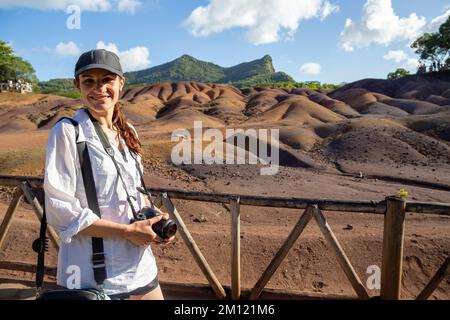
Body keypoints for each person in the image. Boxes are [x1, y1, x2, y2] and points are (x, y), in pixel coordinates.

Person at [44, 49, 174, 300]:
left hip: (141, 269)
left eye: (107, 79)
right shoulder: (68, 133)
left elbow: (135, 192)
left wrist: (154, 219)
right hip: (95, 276)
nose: (99, 88)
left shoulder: (129, 132)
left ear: (121, 83)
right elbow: (60, 211)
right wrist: (127, 232)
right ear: (77, 86)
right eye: (89, 81)